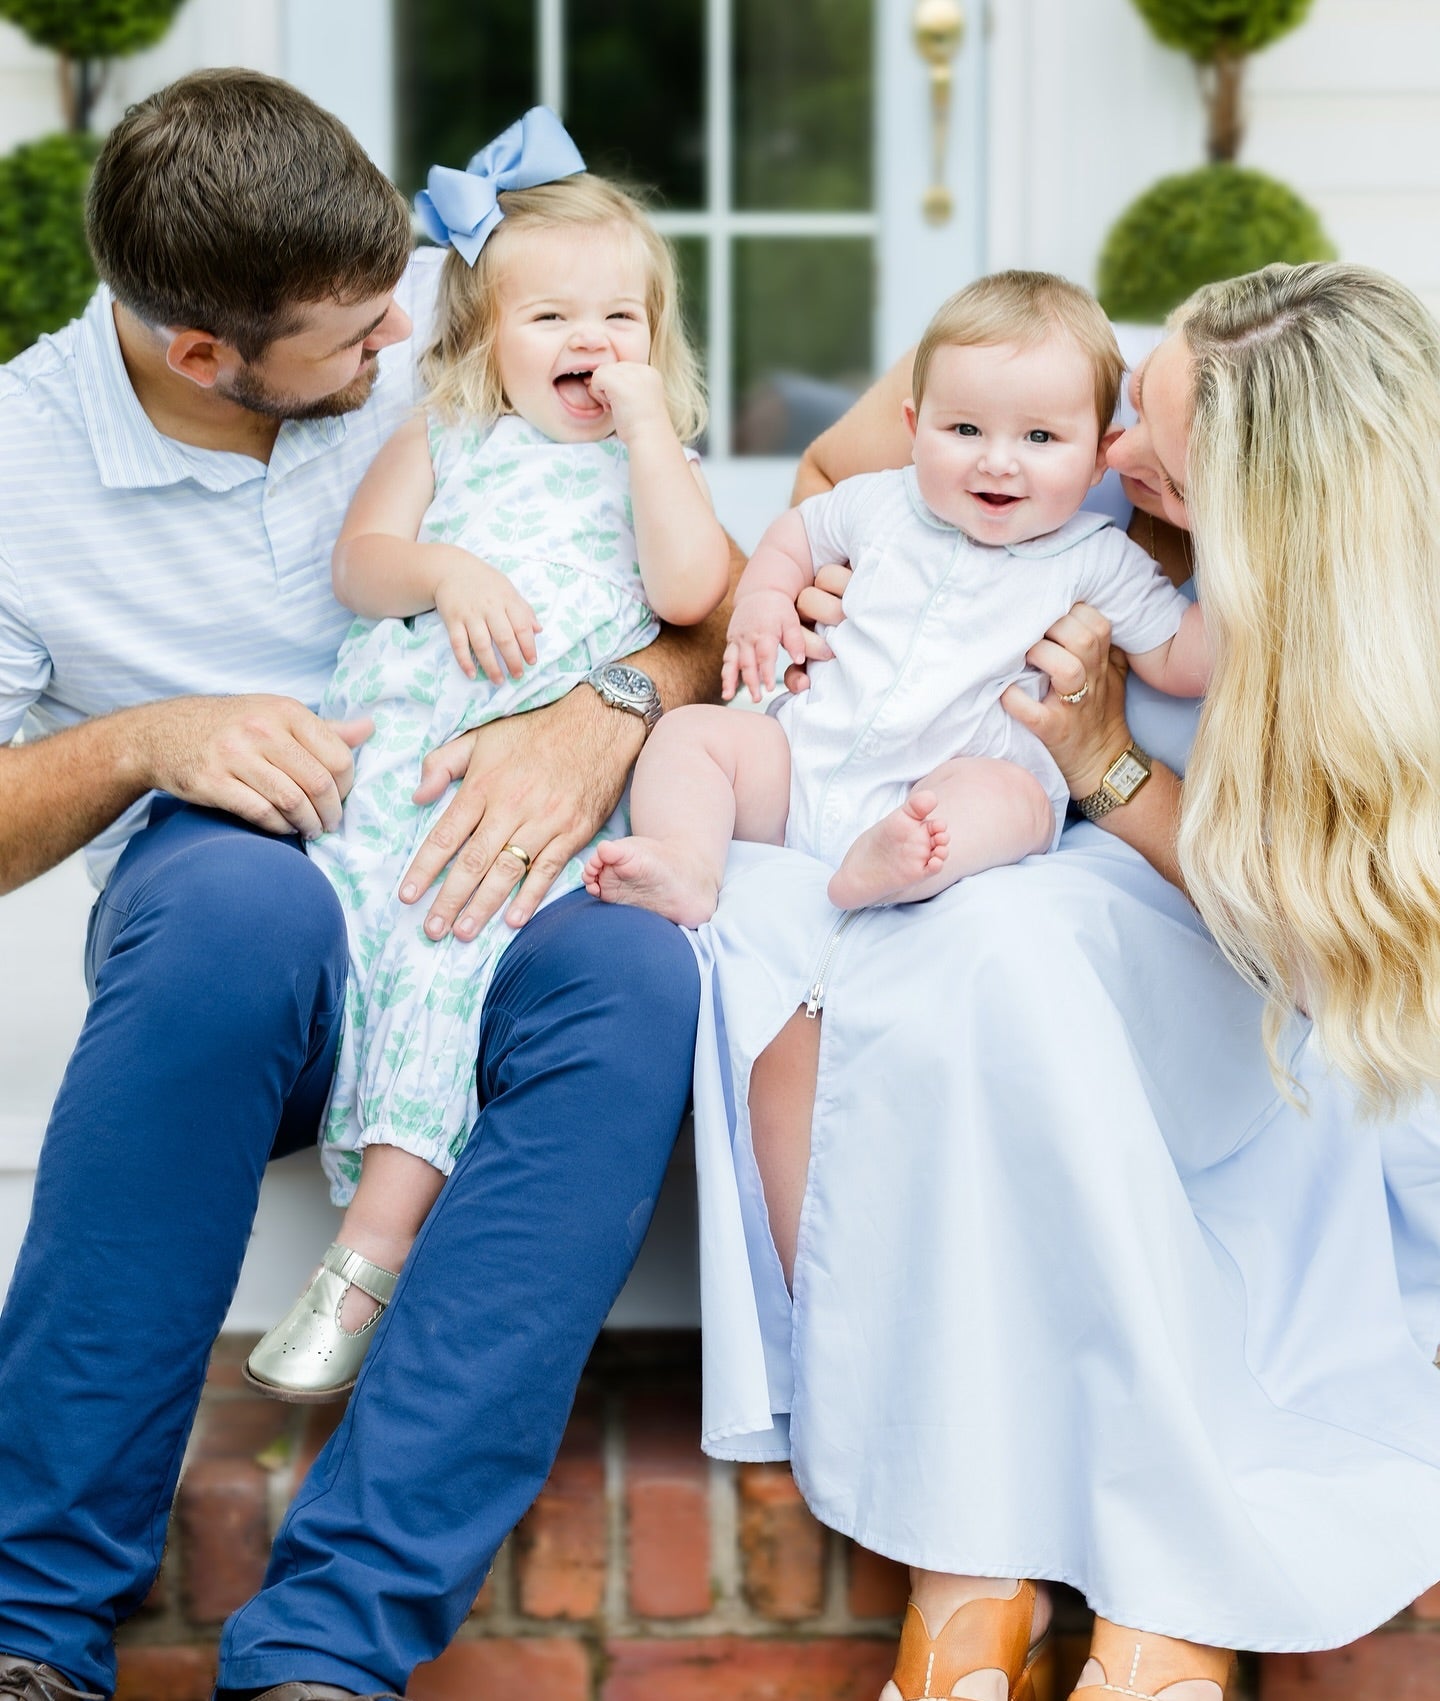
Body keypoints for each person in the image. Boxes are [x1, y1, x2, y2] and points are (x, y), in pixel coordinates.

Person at [0, 72, 726, 1701]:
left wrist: (602, 714)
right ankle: (26, 1621)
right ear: (203, 352)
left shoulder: (467, 351)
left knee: (636, 979)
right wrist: (146, 741)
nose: (405, 341)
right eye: (353, 338)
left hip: (488, 879)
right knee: (231, 907)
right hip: (253, 927)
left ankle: (329, 1647)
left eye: (401, 299)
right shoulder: (16, 471)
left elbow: (695, 610)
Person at [688, 260, 1440, 1701]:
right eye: (1134, 405)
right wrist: (816, 579)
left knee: (996, 956)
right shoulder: (1077, 444)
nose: (1113, 456)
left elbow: (1304, 944)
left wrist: (1102, 757)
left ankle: (1157, 1590)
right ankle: (979, 1567)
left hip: (1268, 993)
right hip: (1070, 913)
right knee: (951, 956)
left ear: (1272, 510)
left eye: (1152, 447)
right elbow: (855, 460)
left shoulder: (1352, 633)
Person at [244, 120, 730, 1404]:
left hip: (543, 791)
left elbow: (695, 593)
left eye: (620, 318)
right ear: (479, 338)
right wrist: (445, 569)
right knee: (363, 926)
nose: (593, 342)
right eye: (553, 315)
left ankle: (371, 1254)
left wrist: (645, 443)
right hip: (405, 750)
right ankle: (382, 1192)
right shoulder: (443, 433)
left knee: (457, 939)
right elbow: (364, 564)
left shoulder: (654, 467)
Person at [584, 272, 1206, 930]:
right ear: (914, 427)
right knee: (689, 735)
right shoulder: (882, 500)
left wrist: (1258, 599)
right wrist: (764, 601)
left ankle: (895, 865)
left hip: (939, 793)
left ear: (1097, 460)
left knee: (1016, 801)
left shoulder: (1095, 556)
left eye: (1040, 439)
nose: (998, 461)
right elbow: (796, 534)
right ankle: (686, 861)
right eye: (965, 429)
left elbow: (1178, 651)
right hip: (804, 763)